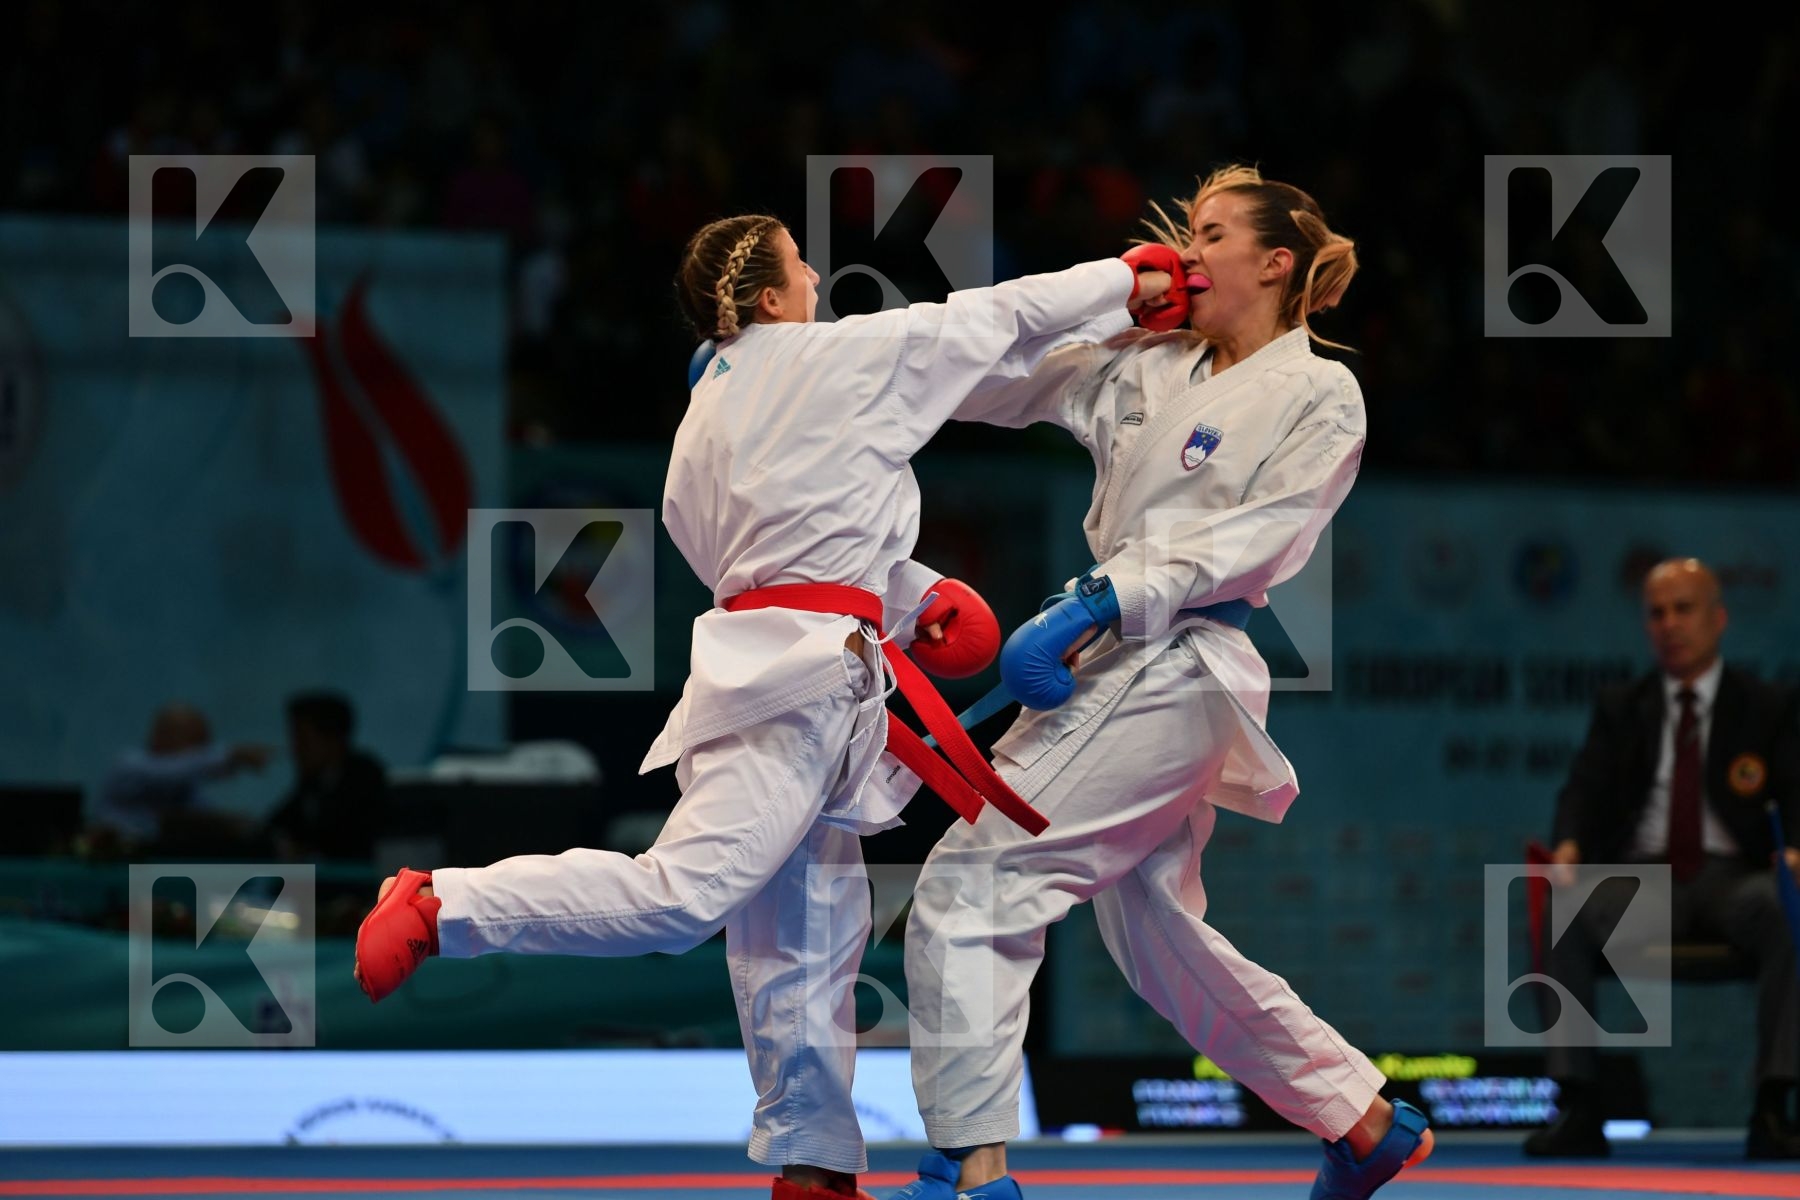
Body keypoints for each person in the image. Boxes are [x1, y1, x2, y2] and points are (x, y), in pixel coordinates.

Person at [352, 211, 1174, 1200]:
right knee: (683, 897)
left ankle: (814, 1166)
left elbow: (762, 557)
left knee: (809, 937)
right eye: (801, 264)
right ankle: (445, 905)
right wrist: (1124, 281)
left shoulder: (706, 413)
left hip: (793, 663)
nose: (819, 274)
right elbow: (994, 317)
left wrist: (911, 598)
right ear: (771, 297)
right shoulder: (838, 355)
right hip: (797, 680)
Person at [894, 165, 1430, 1200]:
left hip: (1182, 662)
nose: (1190, 252)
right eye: (1187, 232)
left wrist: (1102, 599)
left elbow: (1262, 536)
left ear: (1275, 264)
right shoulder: (1146, 359)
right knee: (1156, 938)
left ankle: (970, 1170)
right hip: (1119, 661)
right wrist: (1107, 300)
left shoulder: (1320, 392)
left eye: (1214, 234)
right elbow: (988, 378)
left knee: (975, 880)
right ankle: (1359, 1121)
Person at [1528, 557, 1800, 1160]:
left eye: (1684, 609)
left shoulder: (1767, 705)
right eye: (1657, 613)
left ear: (1718, 618)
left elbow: (1796, 788)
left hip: (1737, 879)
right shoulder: (1622, 706)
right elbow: (1583, 790)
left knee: (1788, 906)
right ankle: (1578, 1106)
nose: (1670, 624)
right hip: (1644, 883)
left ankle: (1775, 1105)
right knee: (1564, 907)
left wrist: (1796, 850)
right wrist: (1568, 846)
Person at [90, 702, 272, 855]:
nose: (202, 752)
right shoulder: (130, 765)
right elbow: (173, 771)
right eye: (197, 744)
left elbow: (197, 811)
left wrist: (235, 825)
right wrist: (231, 754)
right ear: (162, 736)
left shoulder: (182, 784)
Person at [264, 690, 388, 863]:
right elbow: (280, 822)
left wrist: (305, 849)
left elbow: (348, 837)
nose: (295, 750)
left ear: (333, 740)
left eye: (304, 741)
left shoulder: (366, 779)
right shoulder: (313, 784)